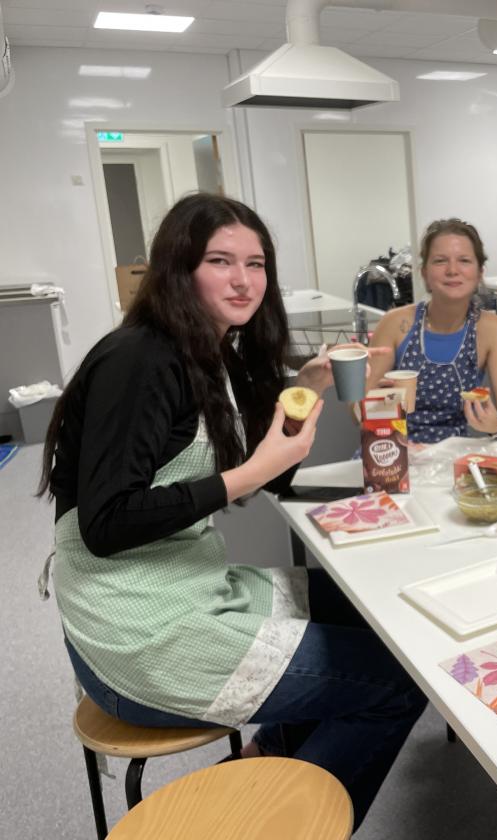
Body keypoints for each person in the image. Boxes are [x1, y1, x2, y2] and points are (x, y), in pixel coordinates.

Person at [38, 193, 427, 829]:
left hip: (190, 583)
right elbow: (105, 525)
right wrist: (253, 469)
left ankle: (262, 758)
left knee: (364, 609)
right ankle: (285, 820)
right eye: (221, 261)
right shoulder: (139, 359)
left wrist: (309, 389)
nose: (243, 280)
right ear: (180, 267)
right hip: (137, 631)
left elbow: (265, 476)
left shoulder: (213, 351)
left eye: (256, 263)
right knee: (397, 683)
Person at [366, 218, 497, 443]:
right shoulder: (394, 324)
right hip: (393, 451)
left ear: (479, 272)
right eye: (440, 261)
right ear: (424, 273)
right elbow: (357, 411)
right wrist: (382, 404)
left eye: (464, 260)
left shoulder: (492, 329)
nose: (452, 270)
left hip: (453, 456)